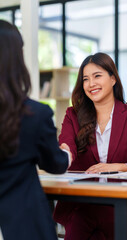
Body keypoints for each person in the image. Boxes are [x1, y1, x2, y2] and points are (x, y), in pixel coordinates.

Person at [53, 52, 127, 240]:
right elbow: (67, 144)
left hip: (118, 206)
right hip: (81, 206)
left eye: (97, 76)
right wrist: (64, 154)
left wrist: (118, 167)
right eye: (85, 79)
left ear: (113, 79)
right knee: (80, 219)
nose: (91, 84)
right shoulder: (73, 114)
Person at [0, 20, 72, 240]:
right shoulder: (35, 114)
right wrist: (67, 155)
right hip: (22, 224)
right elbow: (55, 163)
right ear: (16, 59)